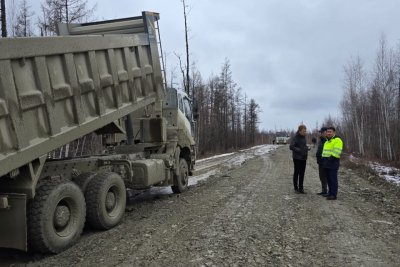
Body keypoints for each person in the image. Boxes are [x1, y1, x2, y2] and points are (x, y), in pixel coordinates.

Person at [321, 126, 343, 200]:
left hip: (333, 163)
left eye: (330, 132)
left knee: (333, 179)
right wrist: (323, 161)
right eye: (327, 132)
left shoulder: (337, 140)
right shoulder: (327, 141)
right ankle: (330, 193)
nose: (328, 133)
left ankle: (333, 194)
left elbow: (336, 152)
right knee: (329, 179)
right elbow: (324, 153)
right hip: (326, 163)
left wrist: (329, 160)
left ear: (334, 132)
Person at [289, 124, 309, 193]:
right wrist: (299, 150)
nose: (305, 132)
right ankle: (296, 188)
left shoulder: (304, 137)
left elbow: (303, 146)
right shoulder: (295, 137)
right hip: (297, 158)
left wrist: (306, 148)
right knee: (296, 172)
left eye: (305, 131)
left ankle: (301, 188)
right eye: (304, 131)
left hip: (304, 158)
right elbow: (291, 146)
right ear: (299, 131)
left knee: (302, 173)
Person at [315, 127, 328, 195]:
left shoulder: (327, 140)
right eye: (321, 132)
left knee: (325, 177)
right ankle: (324, 190)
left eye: (322, 132)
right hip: (320, 161)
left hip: (324, 161)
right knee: (321, 176)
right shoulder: (321, 140)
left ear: (325, 132)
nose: (321, 133)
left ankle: (326, 191)